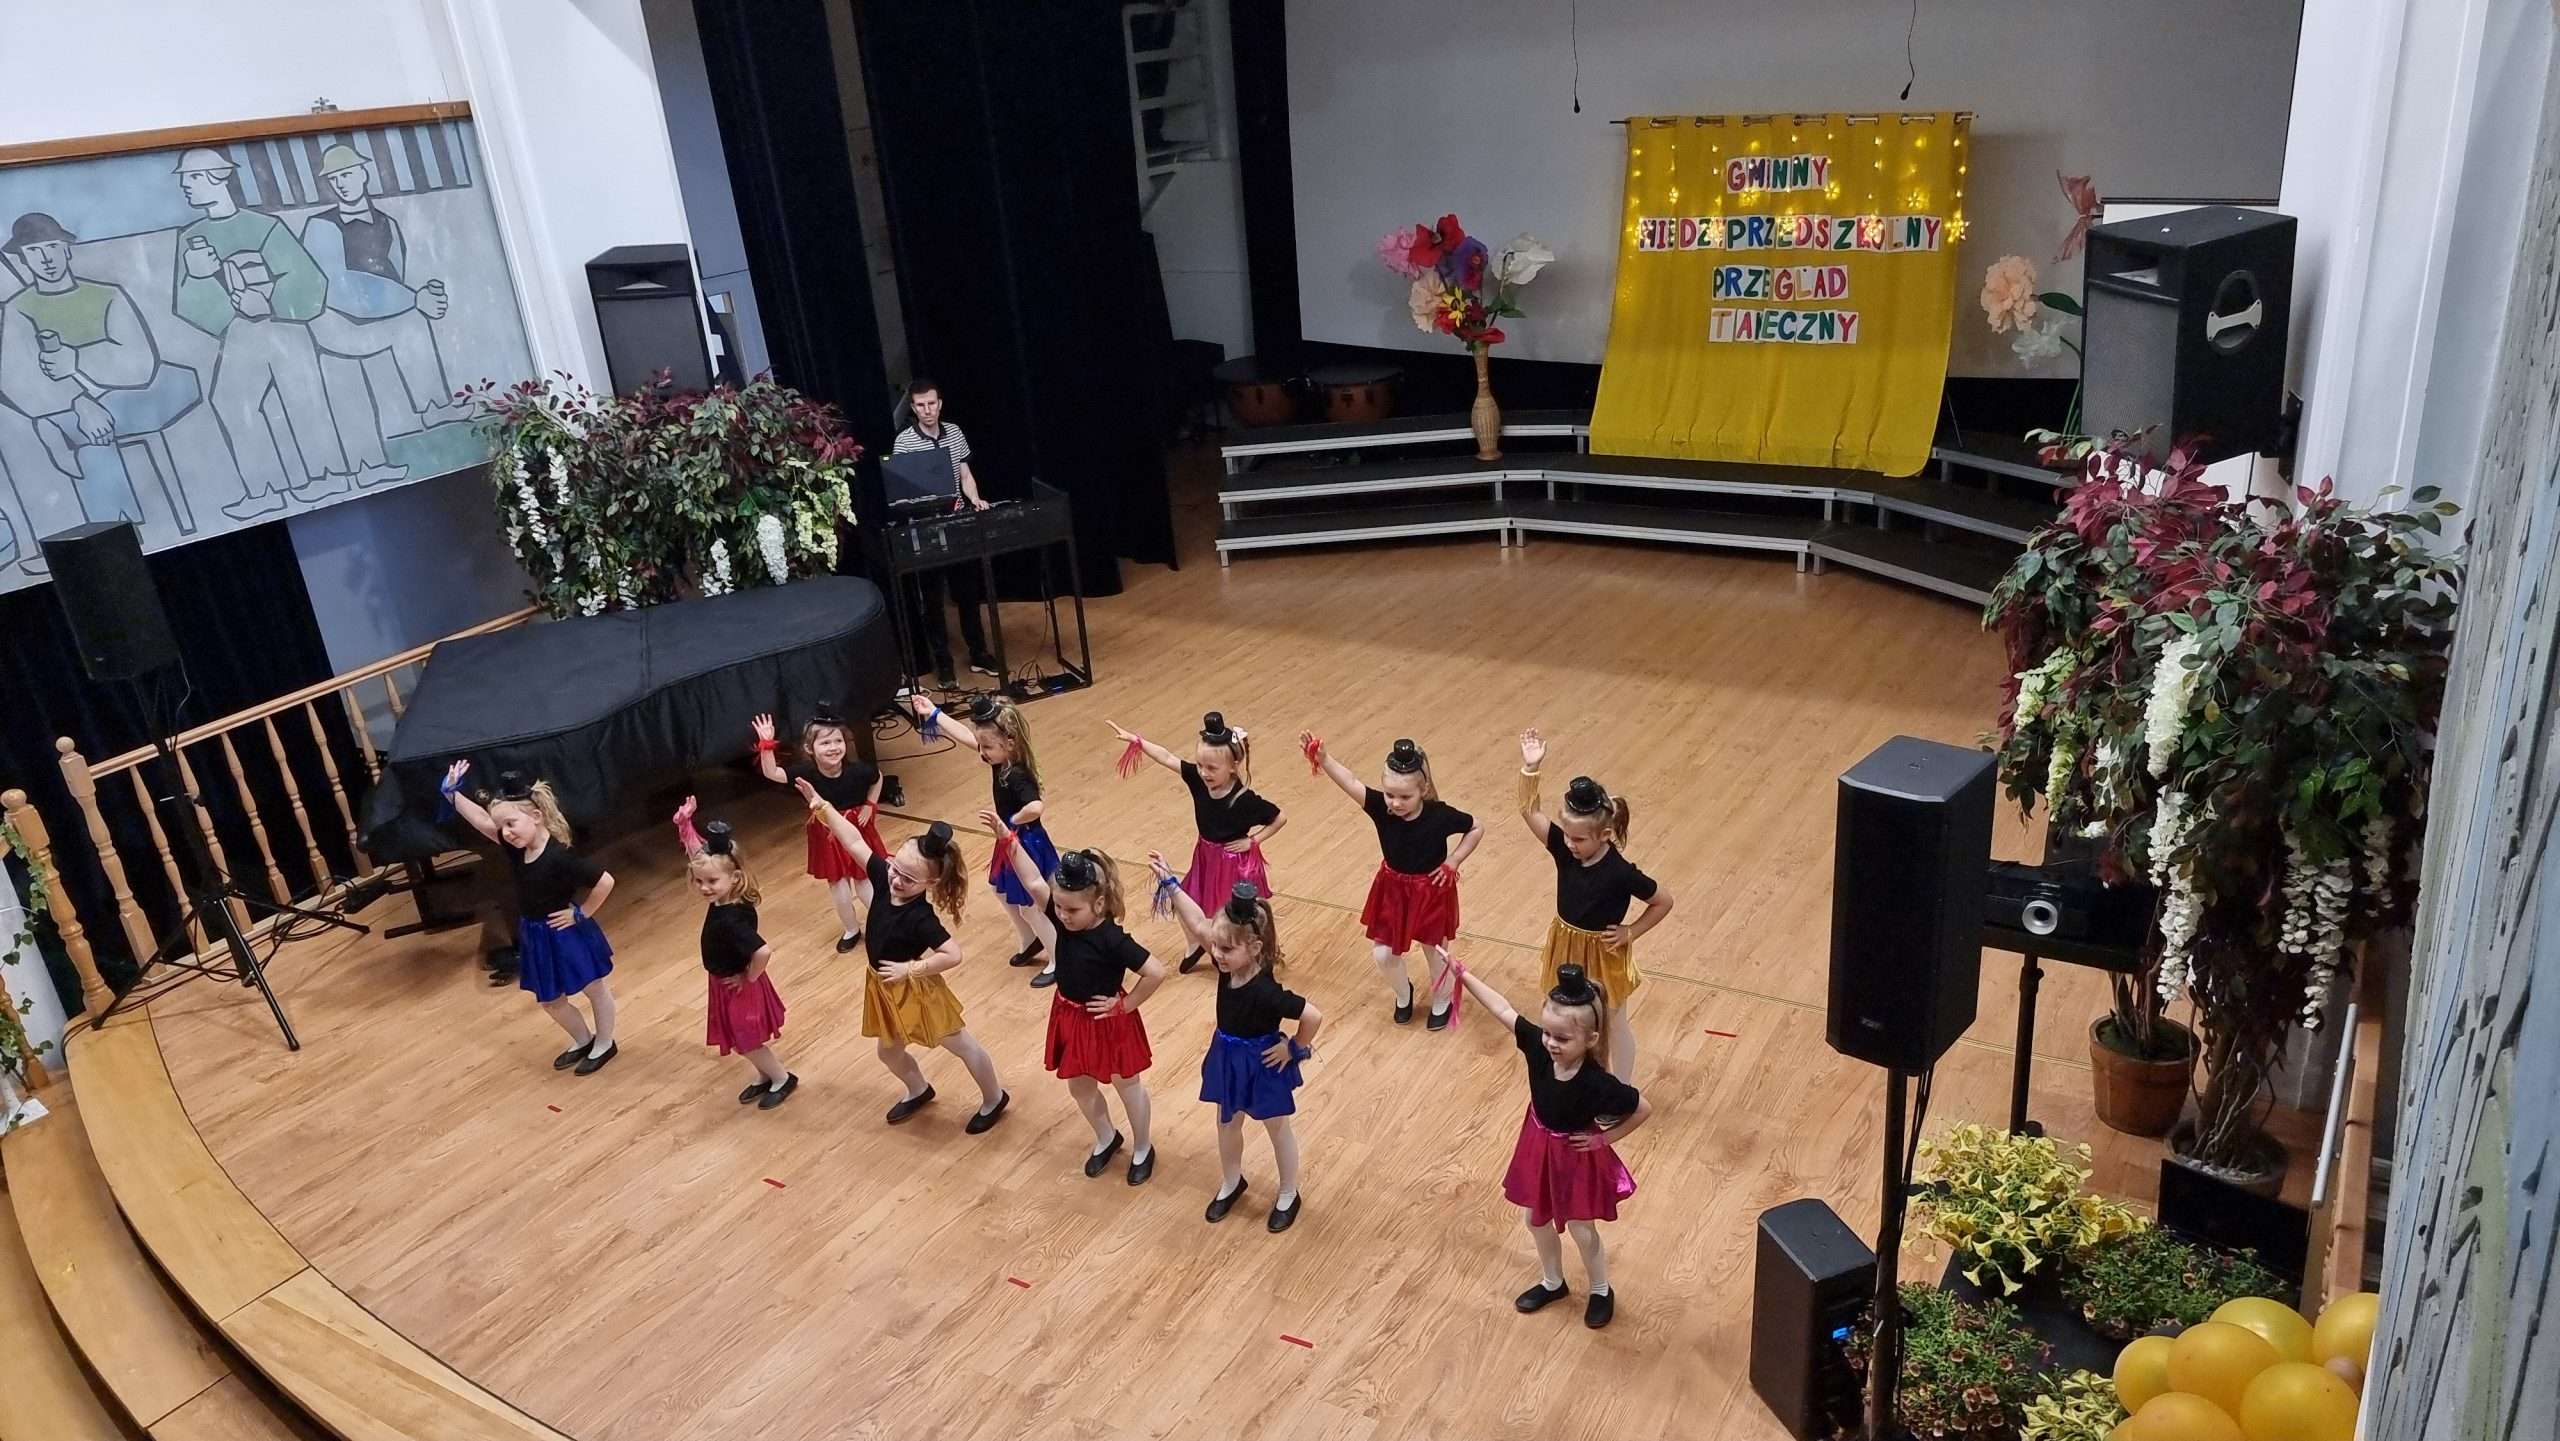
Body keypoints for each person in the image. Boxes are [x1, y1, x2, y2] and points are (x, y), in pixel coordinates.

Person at [1451, 961, 1651, 1330]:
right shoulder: (1539, 1049)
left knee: (1581, 1229)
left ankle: (1601, 1289)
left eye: (1562, 1038)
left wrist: (1603, 1139)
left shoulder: (1598, 1083)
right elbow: (1502, 1008)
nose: (1551, 1043)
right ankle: (1553, 1281)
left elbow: (1642, 1109)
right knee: (1534, 1219)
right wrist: (1462, 974)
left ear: (1590, 1039)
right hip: (1539, 1146)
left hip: (1573, 1157)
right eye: (1547, 1033)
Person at [800, 784, 1010, 1131]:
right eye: (895, 868)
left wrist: (912, 969)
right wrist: (824, 808)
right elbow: (854, 841)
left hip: (916, 990)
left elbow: (952, 954)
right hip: (884, 986)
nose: (896, 879)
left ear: (931, 882)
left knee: (961, 1045)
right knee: (888, 1052)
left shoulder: (920, 918)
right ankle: (918, 1089)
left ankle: (994, 1097)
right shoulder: (885, 878)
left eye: (909, 879)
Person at [170, 146, 350, 515]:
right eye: (185, 179)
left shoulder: (264, 226)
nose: (186, 185)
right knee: (231, 404)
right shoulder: (191, 238)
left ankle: (326, 477)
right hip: (239, 335)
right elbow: (187, 305)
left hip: (286, 329)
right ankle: (262, 491)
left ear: (219, 178)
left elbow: (308, 279)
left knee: (304, 398)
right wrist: (200, 278)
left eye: (193, 177)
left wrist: (267, 302)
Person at [0, 212, 204, 527]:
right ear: (24, 259)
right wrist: (80, 402)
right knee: (92, 440)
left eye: (52, 247)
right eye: (34, 251)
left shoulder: (107, 294)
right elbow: (19, 379)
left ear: (67, 249)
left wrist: (77, 363)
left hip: (127, 398)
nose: (47, 259)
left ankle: (119, 530)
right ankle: (131, 527)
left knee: (92, 430)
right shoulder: (18, 309)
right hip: (72, 408)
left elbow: (140, 362)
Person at [1149, 864, 1322, 1232]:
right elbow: (1199, 924)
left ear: (1255, 948)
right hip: (1228, 1056)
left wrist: (1294, 1049)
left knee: (1277, 1128)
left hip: (1262, 1063)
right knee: (1227, 1124)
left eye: (1225, 948)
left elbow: (1313, 1015)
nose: (1216, 954)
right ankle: (1231, 1181)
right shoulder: (1228, 963)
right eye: (1216, 946)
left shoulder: (1267, 991)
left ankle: (1288, 1192)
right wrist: (1171, 884)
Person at [301, 141, 468, 487]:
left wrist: (419, 298)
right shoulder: (320, 226)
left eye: (348, 174)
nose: (342, 183)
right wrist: (413, 299)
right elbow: (337, 287)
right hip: (335, 324)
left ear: (363, 174)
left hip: (378, 320)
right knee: (348, 378)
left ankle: (434, 406)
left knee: (413, 321)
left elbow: (395, 273)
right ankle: (367, 464)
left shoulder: (387, 223)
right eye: (335, 178)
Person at [441, 761, 620, 1074]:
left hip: (566, 932)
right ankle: (583, 1039)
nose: (505, 833)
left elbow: (605, 881)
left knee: (594, 989)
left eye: (511, 824)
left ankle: (605, 1043)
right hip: (536, 934)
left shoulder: (560, 856)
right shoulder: (517, 848)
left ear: (536, 817)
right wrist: (452, 794)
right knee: (550, 1000)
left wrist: (580, 914)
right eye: (503, 827)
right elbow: (483, 821)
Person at [1004, 842, 1166, 1184]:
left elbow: (1155, 972)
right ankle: (1107, 1136)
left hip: (1108, 1021)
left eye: (1072, 910)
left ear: (1099, 903)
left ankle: (1143, 1146)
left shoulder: (1112, 939)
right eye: (1059, 907)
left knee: (1128, 1086)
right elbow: (1032, 881)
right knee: (1079, 1087)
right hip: (1071, 1017)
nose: (1062, 916)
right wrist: (1008, 840)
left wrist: (1125, 1005)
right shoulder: (1064, 920)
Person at [1517, 729, 1674, 1083]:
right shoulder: (1564, 848)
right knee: (1567, 1013)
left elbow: (1663, 900)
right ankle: (1576, 1076)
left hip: (1603, 952)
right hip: (1566, 944)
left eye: (1578, 838)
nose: (1569, 843)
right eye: (1567, 835)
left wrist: (1631, 931)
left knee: (1613, 1022)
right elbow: (1529, 810)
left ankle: (1622, 1088)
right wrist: (1531, 768)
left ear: (1604, 835)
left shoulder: (1620, 872)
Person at [1299, 732, 1481, 1028]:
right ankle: (1402, 993)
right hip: (1393, 890)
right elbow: (1351, 782)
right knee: (1383, 955)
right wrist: (1325, 759)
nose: (1395, 803)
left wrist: (1454, 860)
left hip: (1431, 890)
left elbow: (1475, 827)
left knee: (1436, 952)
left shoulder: (1440, 815)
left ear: (1423, 790)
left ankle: (1443, 999)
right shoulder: (1381, 809)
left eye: (1405, 797)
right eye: (1389, 794)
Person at [1108, 711, 1286, 973]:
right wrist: (1138, 742)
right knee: (1184, 899)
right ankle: (1195, 942)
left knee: (1229, 912)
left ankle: (1250, 954)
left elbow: (1279, 818)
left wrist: (1253, 841)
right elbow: (1167, 757)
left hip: (1231, 862)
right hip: (1205, 854)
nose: (1203, 773)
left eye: (1212, 768)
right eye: (1200, 765)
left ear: (1233, 765)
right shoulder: (1199, 780)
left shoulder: (1245, 800)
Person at [911, 694, 1062, 984]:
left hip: (1026, 842)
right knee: (1001, 891)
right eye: (982, 746)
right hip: (1009, 839)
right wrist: (935, 714)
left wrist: (1014, 820)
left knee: (1030, 905)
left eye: (988, 747)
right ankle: (1030, 940)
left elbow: (1036, 806)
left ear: (1010, 742)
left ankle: (1058, 958)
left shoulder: (1017, 774)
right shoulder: (999, 760)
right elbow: (967, 737)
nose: (982, 752)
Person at [674, 800, 796, 1109]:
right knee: (741, 1037)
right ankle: (765, 1075)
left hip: (738, 985)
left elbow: (763, 951)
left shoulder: (731, 919)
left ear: (734, 878)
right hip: (726, 982)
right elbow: (700, 857)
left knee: (747, 1040)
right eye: (699, 881)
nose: (704, 887)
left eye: (711, 882)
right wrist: (685, 826)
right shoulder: (725, 896)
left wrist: (749, 978)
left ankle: (781, 1078)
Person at [752, 703, 881, 952]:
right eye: (825, 743)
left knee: (865, 881)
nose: (833, 747)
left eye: (838, 741)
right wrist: (766, 744)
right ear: (810, 748)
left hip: (856, 829)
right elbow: (772, 773)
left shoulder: (859, 770)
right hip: (827, 831)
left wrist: (870, 805)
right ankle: (851, 929)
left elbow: (878, 778)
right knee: (838, 886)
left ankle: (883, 924)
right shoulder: (806, 773)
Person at [890, 377, 996, 679]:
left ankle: (979, 653)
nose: (927, 410)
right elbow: (903, 487)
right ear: (913, 408)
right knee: (932, 597)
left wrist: (974, 498)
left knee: (967, 591)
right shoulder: (904, 442)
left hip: (956, 520)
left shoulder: (955, 432)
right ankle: (944, 663)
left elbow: (965, 474)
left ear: (940, 404)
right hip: (926, 527)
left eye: (932, 404)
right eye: (921, 405)